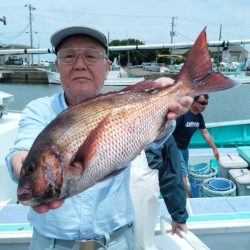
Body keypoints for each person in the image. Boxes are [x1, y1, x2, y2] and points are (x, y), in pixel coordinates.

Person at [5, 25, 193, 250]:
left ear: (107, 67)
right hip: (51, 244)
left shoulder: (128, 103)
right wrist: (23, 167)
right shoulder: (39, 110)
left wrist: (167, 112)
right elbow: (22, 150)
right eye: (68, 56)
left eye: (91, 55)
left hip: (117, 242)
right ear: (57, 66)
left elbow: (156, 139)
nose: (80, 64)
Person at [130, 134, 188, 250]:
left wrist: (178, 215)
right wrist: (178, 216)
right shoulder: (162, 127)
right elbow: (171, 174)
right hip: (142, 185)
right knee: (142, 245)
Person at [173, 94, 220, 197]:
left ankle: (182, 192)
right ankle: (186, 196)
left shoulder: (199, 116)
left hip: (184, 148)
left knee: (183, 171)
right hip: (175, 147)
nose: (204, 106)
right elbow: (169, 130)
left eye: (206, 103)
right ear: (193, 102)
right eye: (202, 103)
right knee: (183, 172)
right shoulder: (183, 114)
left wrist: (214, 148)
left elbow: (205, 132)